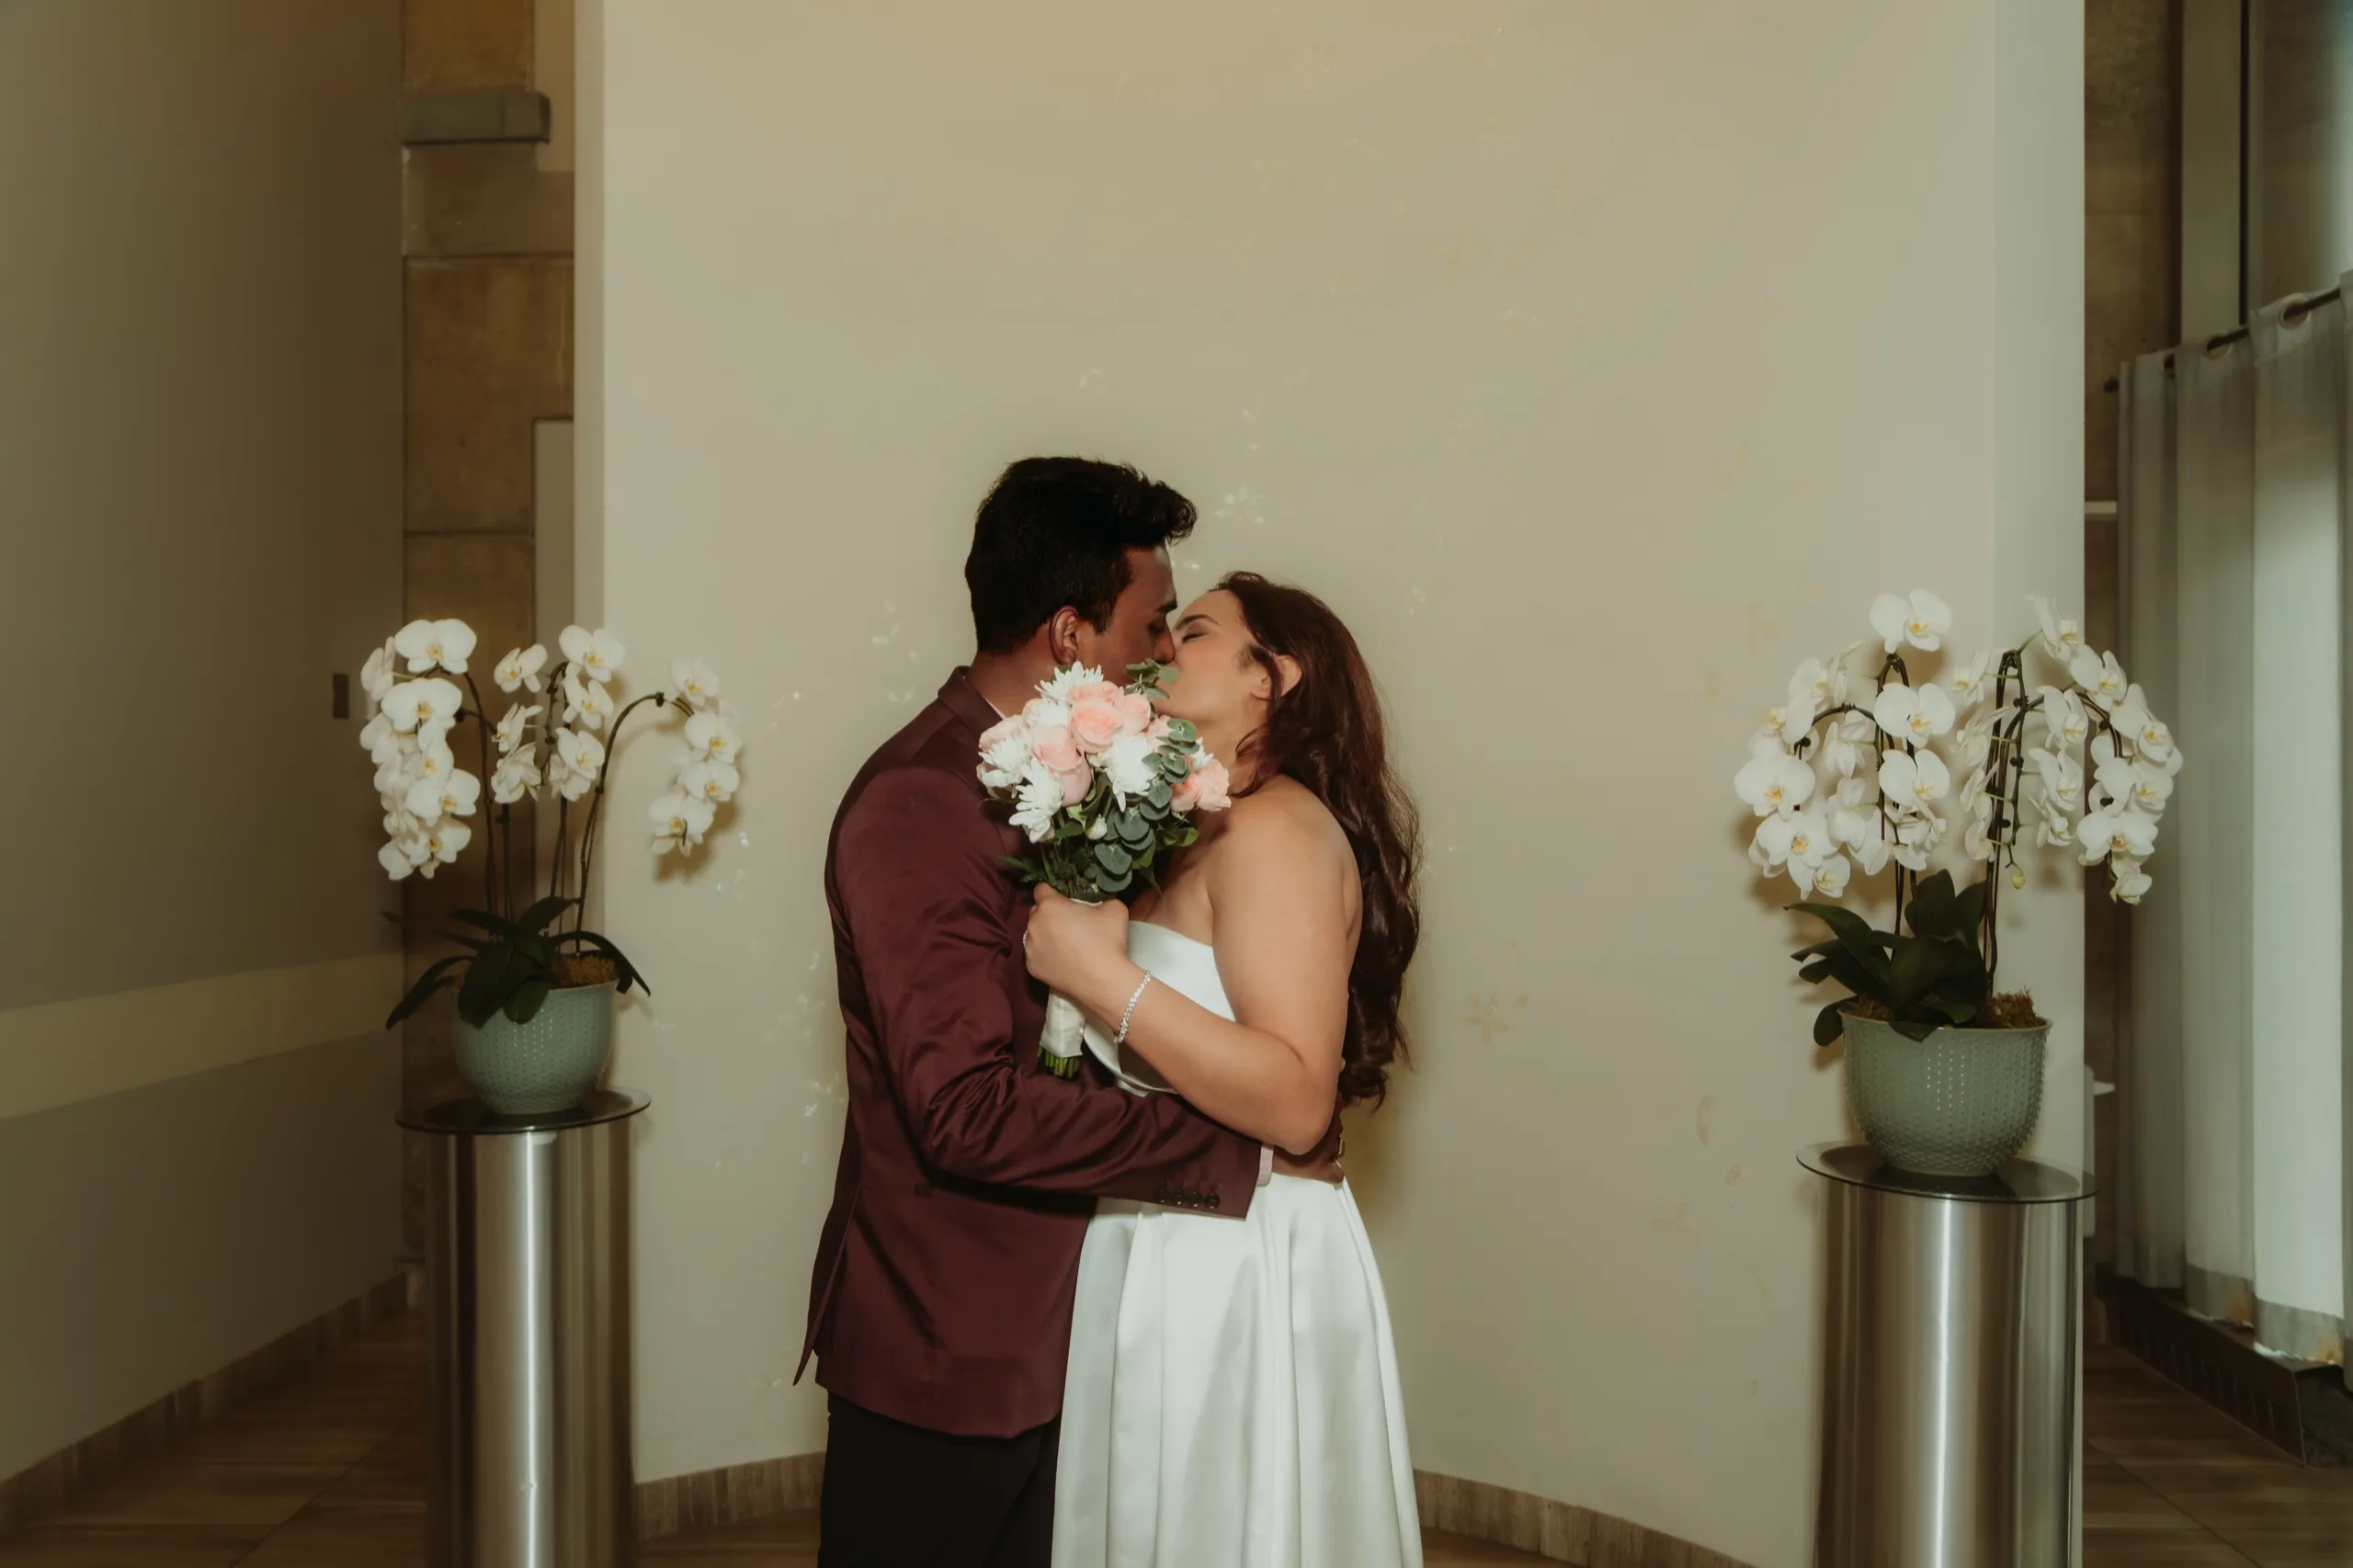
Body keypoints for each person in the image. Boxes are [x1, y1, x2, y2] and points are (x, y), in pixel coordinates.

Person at [803, 460, 1336, 1568]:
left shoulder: (1099, 777)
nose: (1156, 659)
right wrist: (1226, 1148)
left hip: (1081, 1339)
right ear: (1065, 634)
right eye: (1149, 627)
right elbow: (964, 1112)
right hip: (955, 1357)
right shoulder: (921, 801)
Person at [1022, 572, 1425, 1568]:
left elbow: (1295, 1098)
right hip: (1163, 1232)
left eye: (1193, 631)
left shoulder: (1278, 827)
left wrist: (1099, 978)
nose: (1161, 645)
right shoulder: (1191, 826)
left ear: (1271, 678)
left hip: (1240, 1262)